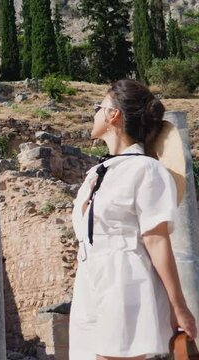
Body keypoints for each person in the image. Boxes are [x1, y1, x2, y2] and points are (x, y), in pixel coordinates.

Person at [69, 79, 197, 360]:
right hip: (90, 285)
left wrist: (179, 307)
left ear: (113, 115)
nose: (93, 113)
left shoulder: (147, 170)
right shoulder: (96, 174)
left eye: (97, 107)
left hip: (126, 282)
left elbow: (156, 239)